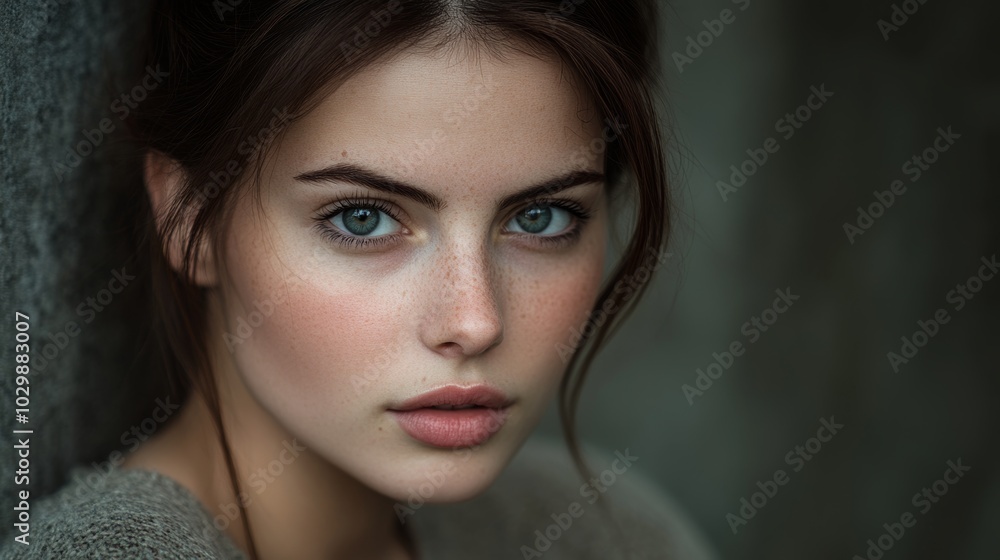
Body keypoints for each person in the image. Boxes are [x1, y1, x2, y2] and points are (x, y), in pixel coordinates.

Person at [3, 1, 716, 558]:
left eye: (540, 217)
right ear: (189, 219)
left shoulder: (604, 534)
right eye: (365, 219)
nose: (475, 321)